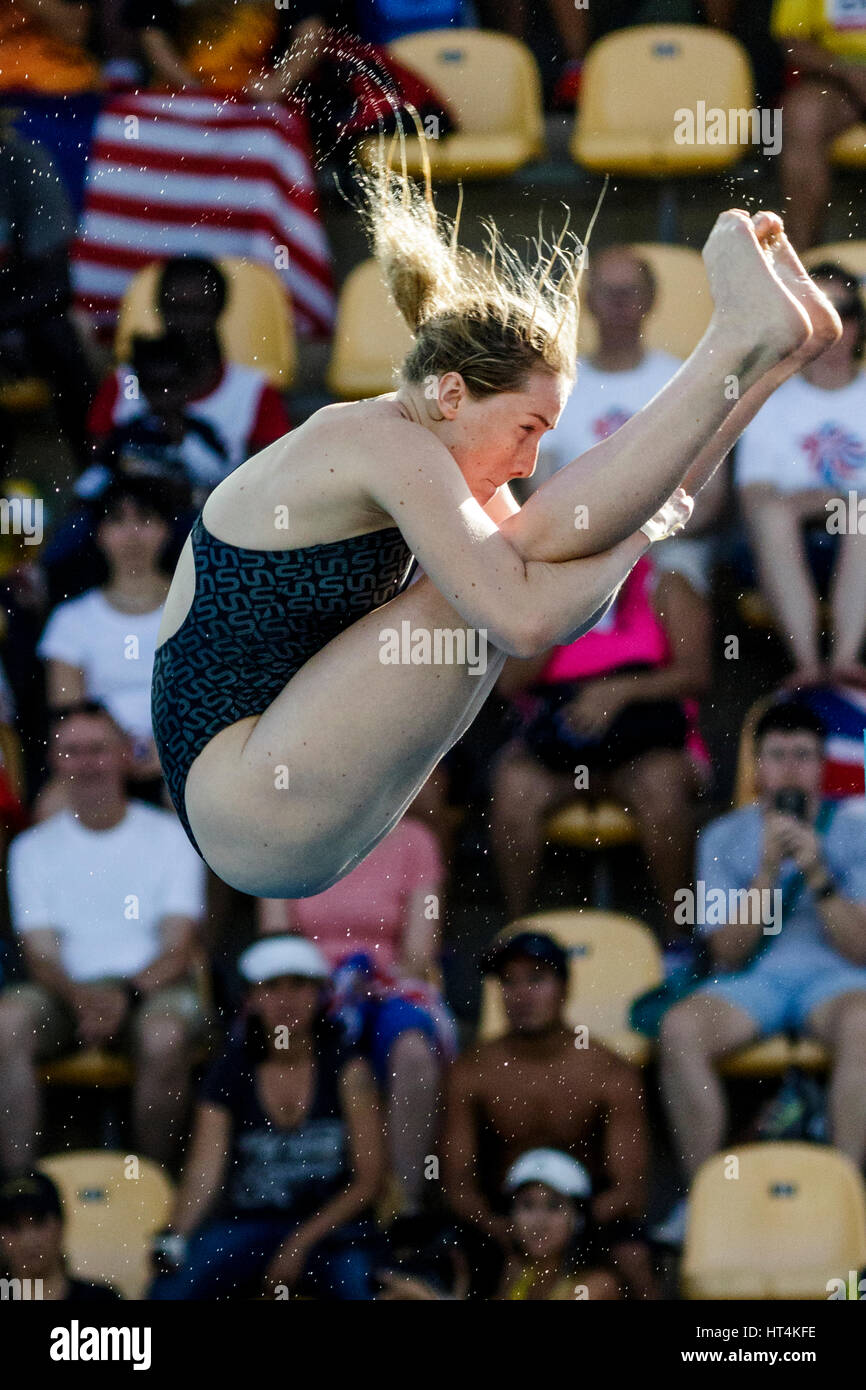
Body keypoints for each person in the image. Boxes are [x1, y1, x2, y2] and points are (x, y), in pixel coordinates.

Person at [150, 138, 842, 901]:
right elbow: (523, 622)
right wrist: (655, 525)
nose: (525, 462)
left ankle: (764, 355)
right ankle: (733, 343)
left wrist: (748, 395)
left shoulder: (441, 453)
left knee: (529, 552)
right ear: (451, 397)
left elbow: (566, 593)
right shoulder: (380, 440)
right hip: (248, 803)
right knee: (508, 576)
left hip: (295, 819)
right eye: (526, 430)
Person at [656, 700, 866, 1246]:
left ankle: (846, 1191)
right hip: (754, 982)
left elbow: (864, 948)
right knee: (680, 1030)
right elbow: (727, 952)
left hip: (835, 976)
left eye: (804, 756)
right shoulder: (723, 837)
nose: (792, 769)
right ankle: (701, 1197)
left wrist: (818, 873)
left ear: (823, 765)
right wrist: (768, 871)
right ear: (757, 765)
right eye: (778, 755)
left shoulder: (856, 828)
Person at [0, 702, 207, 1173]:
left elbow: (178, 949)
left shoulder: (172, 839)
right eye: (71, 751)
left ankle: (157, 1198)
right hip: (65, 992)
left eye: (97, 749)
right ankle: (19, 1196)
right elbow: (40, 954)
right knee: (6, 1023)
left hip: (151, 988)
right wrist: (79, 1000)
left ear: (124, 755)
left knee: (164, 1035)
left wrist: (125, 996)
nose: (86, 762)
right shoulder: (32, 849)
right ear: (54, 761)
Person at [490, 548, 710, 943]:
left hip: (646, 746)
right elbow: (509, 684)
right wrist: (564, 611)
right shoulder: (548, 597)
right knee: (512, 787)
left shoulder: (666, 584)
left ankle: (680, 941)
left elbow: (696, 674)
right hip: (560, 751)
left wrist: (621, 691)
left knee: (662, 787)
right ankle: (517, 940)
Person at [149, 935, 384, 1300]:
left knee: (363, 1289)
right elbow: (203, 1172)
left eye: (300, 986)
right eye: (271, 987)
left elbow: (368, 1182)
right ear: (251, 998)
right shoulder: (229, 1072)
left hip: (333, 1229)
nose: (286, 1000)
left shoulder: (348, 1069)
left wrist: (297, 1244)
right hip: (248, 1224)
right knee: (170, 1290)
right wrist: (175, 1235)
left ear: (320, 995)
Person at [442, 930, 657, 1298]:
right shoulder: (471, 1071)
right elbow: (457, 1184)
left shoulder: (610, 1071)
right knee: (443, 1259)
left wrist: (564, 1226)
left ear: (565, 988)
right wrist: (503, 1227)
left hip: (588, 1216)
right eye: (508, 982)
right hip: (503, 1218)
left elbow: (629, 1190)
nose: (521, 995)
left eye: (536, 979)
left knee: (633, 1255)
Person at [258, 814, 454, 1214]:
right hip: (304, 985)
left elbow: (419, 954)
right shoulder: (283, 838)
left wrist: (369, 982)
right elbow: (275, 945)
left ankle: (405, 1204)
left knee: (414, 1050)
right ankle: (285, 1195)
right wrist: (330, 989)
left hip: (385, 985)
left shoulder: (415, 841)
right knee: (280, 1030)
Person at [530, 244, 723, 600]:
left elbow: (708, 497)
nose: (619, 302)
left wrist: (636, 539)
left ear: (651, 299)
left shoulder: (685, 382)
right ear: (587, 301)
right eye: (607, 291)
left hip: (665, 544)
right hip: (575, 545)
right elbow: (539, 490)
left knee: (677, 589)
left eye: (630, 290)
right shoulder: (556, 385)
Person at [736, 262, 866, 688]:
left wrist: (838, 501)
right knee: (774, 517)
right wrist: (836, 498)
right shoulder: (769, 398)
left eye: (843, 311)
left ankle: (845, 660)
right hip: (786, 549)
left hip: (857, 540)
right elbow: (753, 499)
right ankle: (807, 664)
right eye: (816, 311)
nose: (831, 325)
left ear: (859, 323)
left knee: (861, 518)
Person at [36, 476, 175, 811]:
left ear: (166, 530)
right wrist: (121, 752)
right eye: (117, 521)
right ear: (99, 535)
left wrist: (170, 750)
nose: (132, 534)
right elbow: (69, 714)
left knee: (204, 809)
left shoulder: (198, 607)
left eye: (144, 519)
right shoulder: (71, 619)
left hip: (186, 755)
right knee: (51, 808)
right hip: (99, 759)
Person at [773, 0, 866, 248]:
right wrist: (847, 70)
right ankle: (804, 259)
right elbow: (792, 41)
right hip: (836, 79)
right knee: (801, 116)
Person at [497, 1149, 620, 1301]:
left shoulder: (597, 1285)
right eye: (527, 1205)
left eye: (554, 1206)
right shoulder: (516, 1272)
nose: (538, 1221)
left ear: (578, 1219)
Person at [0, 1173, 120, 1301]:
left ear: (60, 1225)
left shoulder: (101, 1299)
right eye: (15, 1227)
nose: (28, 1240)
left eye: (39, 1222)